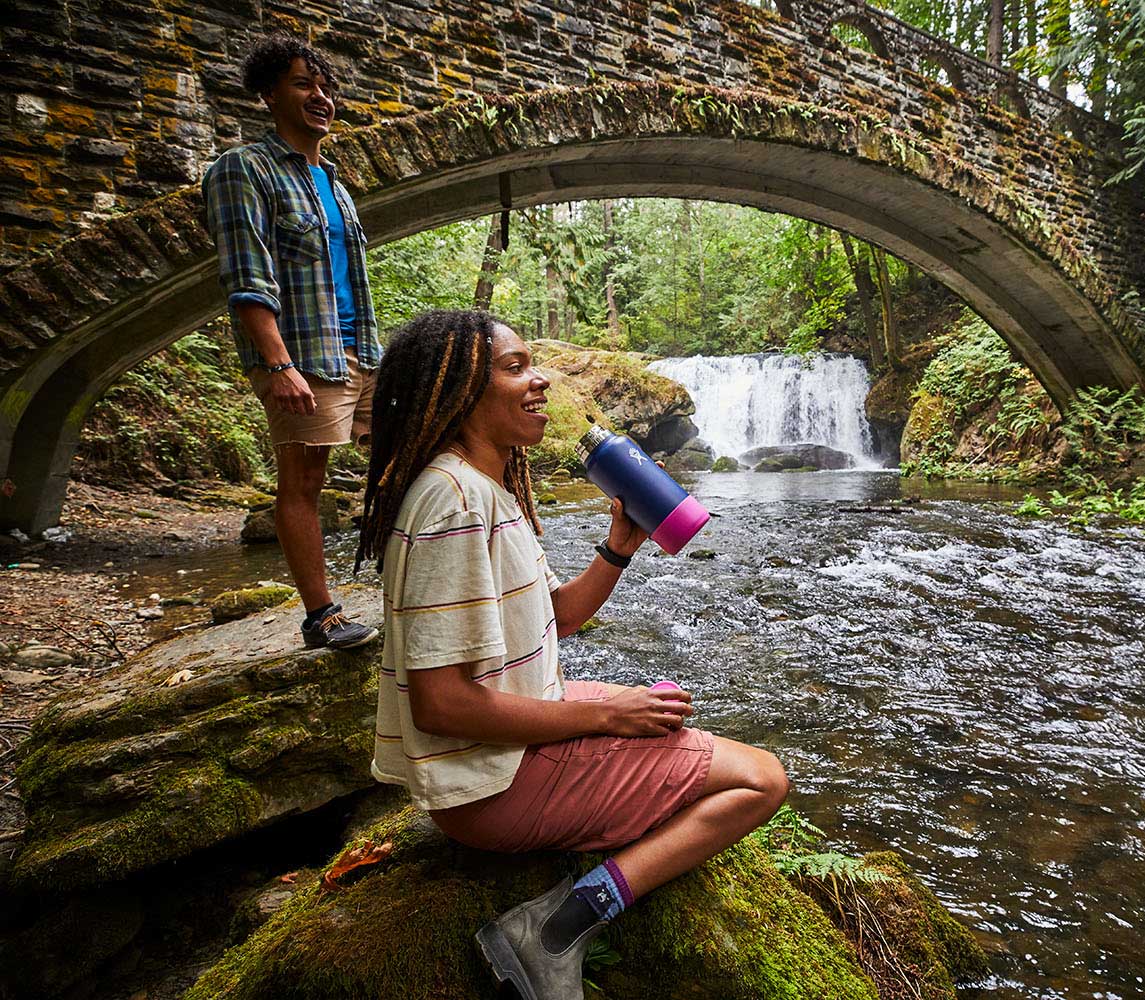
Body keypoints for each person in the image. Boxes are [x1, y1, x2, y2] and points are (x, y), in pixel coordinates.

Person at [354, 310, 789, 1000]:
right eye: (515, 367)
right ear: (459, 389)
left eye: (534, 364)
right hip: (491, 786)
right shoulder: (455, 504)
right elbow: (441, 705)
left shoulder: (485, 488)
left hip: (496, 762)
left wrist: (619, 546)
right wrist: (606, 717)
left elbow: (556, 616)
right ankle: (559, 925)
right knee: (761, 779)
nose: (541, 379)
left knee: (662, 714)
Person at [202, 34, 380, 649]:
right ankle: (320, 615)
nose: (320, 97)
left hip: (362, 349)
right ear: (268, 92)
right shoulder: (242, 169)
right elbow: (245, 275)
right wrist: (278, 364)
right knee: (302, 481)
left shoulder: (335, 183)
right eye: (304, 84)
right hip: (302, 354)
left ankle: (413, 581)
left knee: (405, 457)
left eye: (326, 87)